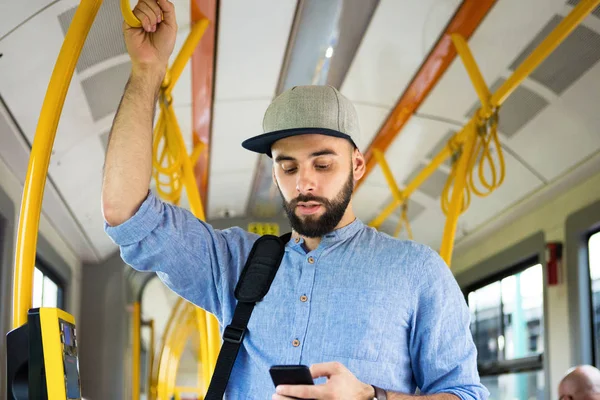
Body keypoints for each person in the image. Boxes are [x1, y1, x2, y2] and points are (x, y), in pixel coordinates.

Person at [102, 1, 489, 399]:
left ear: (357, 165)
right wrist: (147, 71)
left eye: (322, 165)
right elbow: (127, 213)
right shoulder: (236, 262)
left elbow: (465, 394)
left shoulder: (417, 270)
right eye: (288, 168)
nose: (304, 182)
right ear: (274, 173)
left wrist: (374, 398)